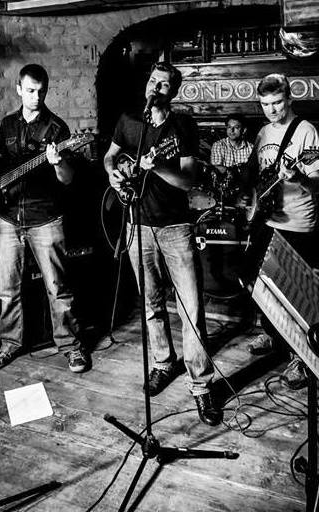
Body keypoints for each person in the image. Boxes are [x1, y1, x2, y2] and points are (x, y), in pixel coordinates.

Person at [104, 62, 222, 426]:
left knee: (191, 308)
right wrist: (113, 172)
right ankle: (162, 362)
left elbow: (188, 180)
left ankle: (201, 385)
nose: (156, 88)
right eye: (153, 81)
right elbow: (110, 155)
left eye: (164, 84)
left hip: (175, 227)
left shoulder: (182, 126)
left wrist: (155, 167)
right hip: (137, 224)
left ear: (173, 91)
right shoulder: (129, 121)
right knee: (151, 304)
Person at [0, 63, 88, 373]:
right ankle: (9, 344)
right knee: (7, 288)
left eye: (41, 91)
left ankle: (70, 345)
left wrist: (57, 162)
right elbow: (2, 161)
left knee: (58, 288)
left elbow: (67, 179)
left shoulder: (58, 129)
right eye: (30, 91)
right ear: (18, 89)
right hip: (8, 217)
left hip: (45, 218)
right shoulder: (7, 124)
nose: (36, 97)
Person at [245, 73, 319, 389]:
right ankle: (274, 334)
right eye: (265, 104)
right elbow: (257, 176)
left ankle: (300, 358)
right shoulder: (263, 132)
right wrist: (251, 205)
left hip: (298, 223)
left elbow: (318, 184)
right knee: (262, 285)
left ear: (289, 99)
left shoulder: (306, 132)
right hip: (267, 220)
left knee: (296, 295)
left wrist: (298, 178)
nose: (272, 110)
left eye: (277, 103)